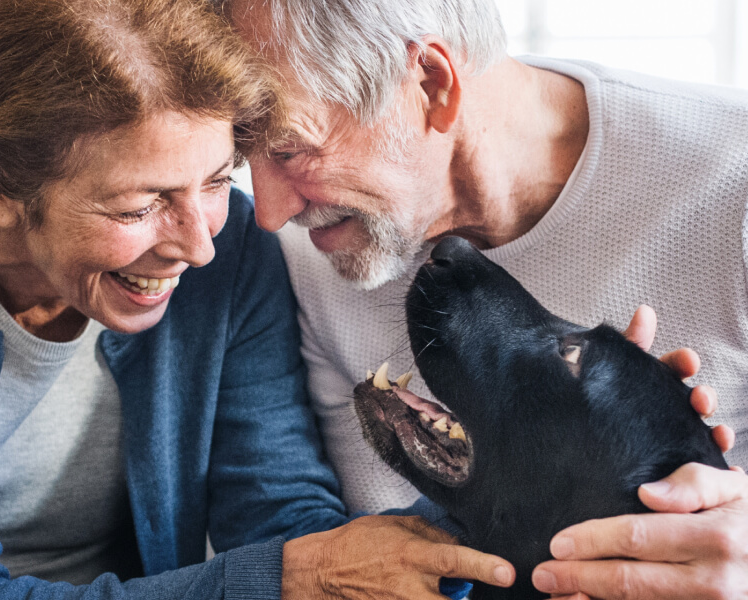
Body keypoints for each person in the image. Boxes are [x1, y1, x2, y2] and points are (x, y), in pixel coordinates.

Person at [0, 0, 521, 598]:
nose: (200, 242)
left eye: (216, 179)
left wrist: (549, 477)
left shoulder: (232, 256)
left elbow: (282, 523)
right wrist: (291, 579)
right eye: (139, 206)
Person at [217, 0, 748, 597]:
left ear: (431, 84)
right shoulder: (292, 248)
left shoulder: (737, 182)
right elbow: (295, 546)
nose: (267, 213)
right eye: (242, 153)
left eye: (288, 151)